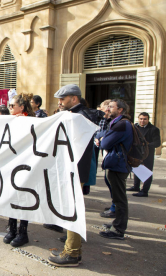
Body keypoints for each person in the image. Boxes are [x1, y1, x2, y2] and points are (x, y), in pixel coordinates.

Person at [48, 84, 94, 267]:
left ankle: (72, 253)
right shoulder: (79, 115)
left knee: (71, 207)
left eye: (62, 99)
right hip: (74, 169)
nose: (59, 103)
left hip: (75, 170)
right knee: (71, 206)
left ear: (74, 99)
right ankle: (72, 243)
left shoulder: (78, 117)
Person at [96, 99, 133, 240]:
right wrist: (103, 138)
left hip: (119, 165)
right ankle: (117, 223)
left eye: (111, 107)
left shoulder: (121, 125)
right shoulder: (118, 123)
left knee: (120, 198)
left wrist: (103, 139)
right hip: (118, 164)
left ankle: (118, 229)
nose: (108, 109)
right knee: (118, 198)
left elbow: (104, 142)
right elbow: (101, 135)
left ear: (120, 110)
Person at [3, 93, 35, 248]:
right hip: (11, 164)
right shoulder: (9, 120)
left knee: (23, 199)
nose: (9, 108)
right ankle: (12, 229)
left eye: (12, 106)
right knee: (12, 197)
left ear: (21, 107)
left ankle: (23, 232)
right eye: (9, 106)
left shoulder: (31, 121)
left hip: (25, 166)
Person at [126, 112, 161, 197]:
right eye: (141, 119)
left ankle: (144, 191)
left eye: (145, 119)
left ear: (148, 120)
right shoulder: (135, 127)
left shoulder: (153, 129)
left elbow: (157, 143)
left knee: (147, 172)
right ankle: (136, 186)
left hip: (147, 154)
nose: (142, 121)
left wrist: (146, 145)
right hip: (136, 153)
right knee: (136, 169)